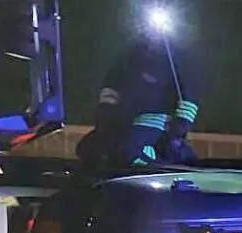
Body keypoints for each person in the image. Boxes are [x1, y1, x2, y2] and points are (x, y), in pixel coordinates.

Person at [76, 31, 201, 171]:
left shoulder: (177, 59)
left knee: (131, 153)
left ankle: (164, 164)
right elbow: (111, 86)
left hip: (155, 122)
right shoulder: (130, 55)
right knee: (87, 149)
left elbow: (187, 95)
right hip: (122, 121)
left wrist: (177, 132)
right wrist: (105, 119)